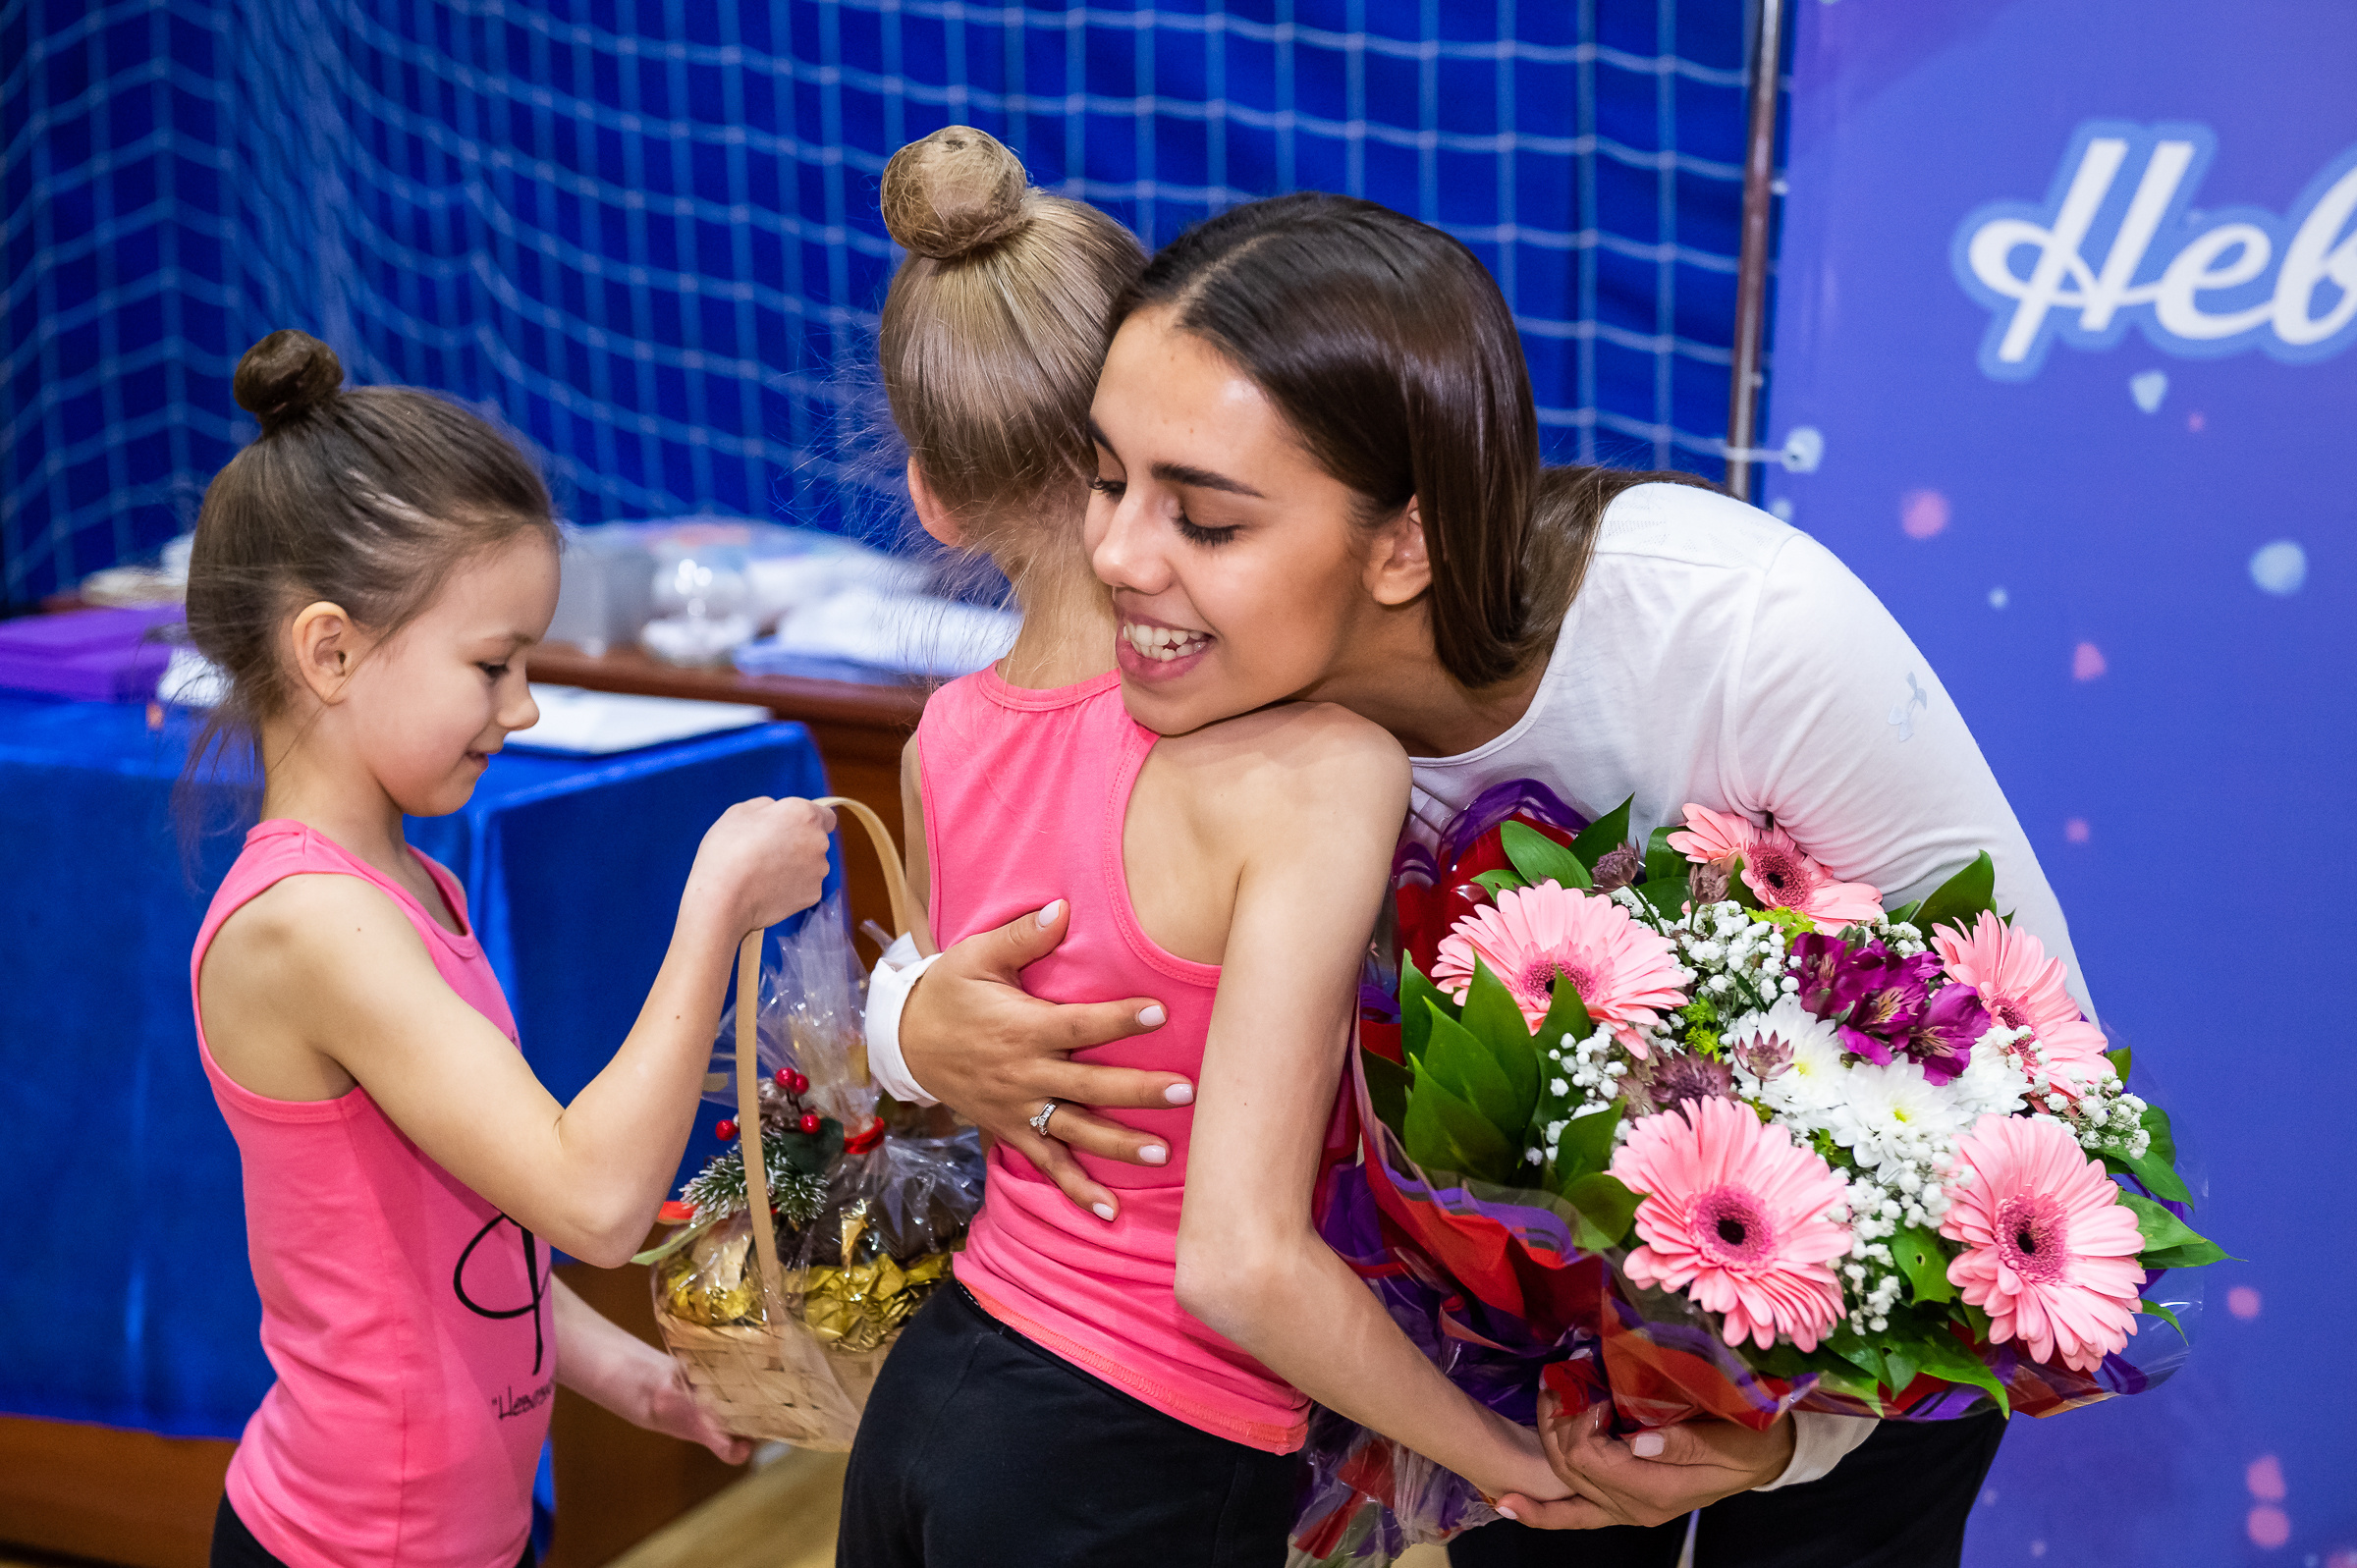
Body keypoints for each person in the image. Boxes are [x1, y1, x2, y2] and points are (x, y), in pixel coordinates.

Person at [863, 193, 2085, 1567]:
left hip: (1831, 1368)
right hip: (1516, 1357)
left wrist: (1787, 1435)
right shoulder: (1214, 690)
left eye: (1202, 519)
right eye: (1103, 480)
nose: (1115, 556)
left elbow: (2035, 1086)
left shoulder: (1743, 642)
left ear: (1407, 543)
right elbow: (1037, 840)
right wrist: (912, 1021)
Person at [834, 130, 1572, 1568]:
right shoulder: (1313, 769)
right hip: (1130, 1454)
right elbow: (1238, 1262)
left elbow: (960, 1075)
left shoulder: (942, 739)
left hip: (936, 1401)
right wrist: (1507, 1461)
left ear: (934, 493)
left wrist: (904, 1032)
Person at [184, 331, 837, 1568]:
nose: (523, 704)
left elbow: (463, 1248)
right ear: (330, 652)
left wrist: (632, 1377)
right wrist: (713, 909)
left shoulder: (414, 886)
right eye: (492, 664)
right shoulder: (311, 926)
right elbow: (592, 1201)